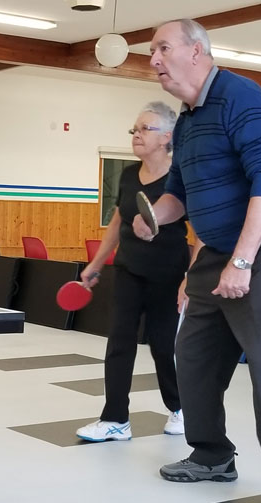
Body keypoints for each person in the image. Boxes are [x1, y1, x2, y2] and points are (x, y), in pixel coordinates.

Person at [140, 19, 261, 503]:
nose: (152, 59)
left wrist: (242, 260)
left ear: (196, 52)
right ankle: (212, 455)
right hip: (218, 246)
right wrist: (153, 215)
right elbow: (178, 193)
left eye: (161, 48)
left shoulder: (244, 98)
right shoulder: (190, 119)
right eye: (151, 51)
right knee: (192, 354)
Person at [75, 101, 194, 442]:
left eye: (146, 129)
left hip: (167, 273)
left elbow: (200, 233)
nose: (137, 135)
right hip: (128, 269)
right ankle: (115, 419)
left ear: (167, 137)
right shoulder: (128, 175)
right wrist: (97, 264)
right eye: (135, 129)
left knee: (162, 345)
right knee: (119, 342)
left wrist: (191, 277)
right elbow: (118, 220)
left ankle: (180, 408)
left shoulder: (180, 176)